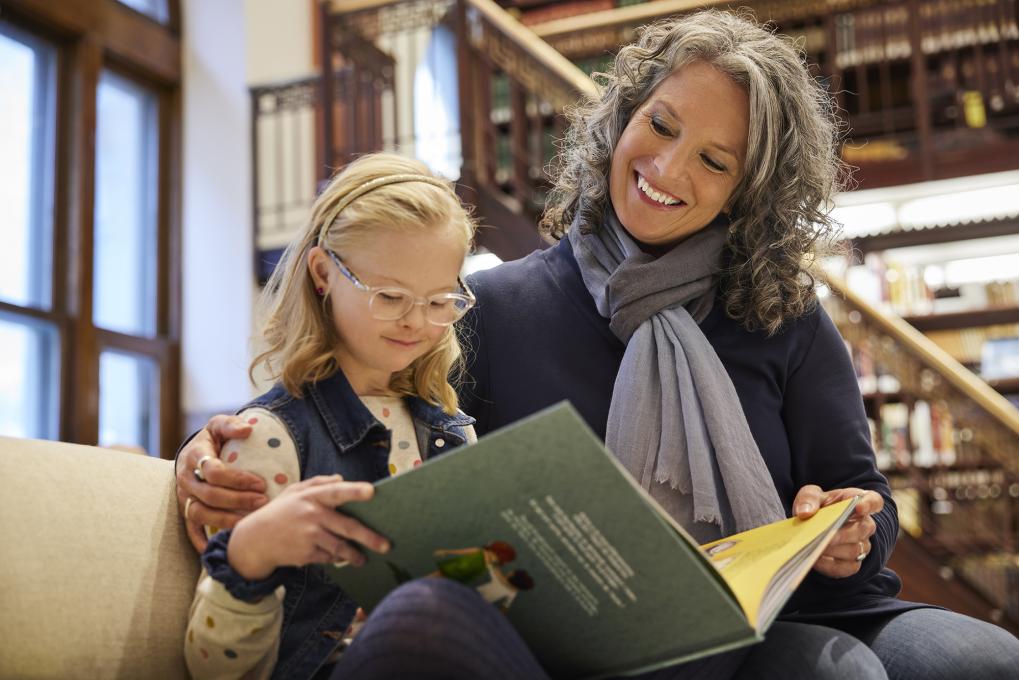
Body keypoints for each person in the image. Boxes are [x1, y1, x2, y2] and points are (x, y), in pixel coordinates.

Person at [176, 9, 1019, 679]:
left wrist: (845, 533)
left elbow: (859, 496)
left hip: (801, 606)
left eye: (715, 161)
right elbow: (365, 413)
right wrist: (198, 453)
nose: (668, 168)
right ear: (619, 117)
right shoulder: (492, 305)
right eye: (659, 125)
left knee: (982, 658)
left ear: (749, 192)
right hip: (596, 629)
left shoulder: (782, 313)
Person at [181, 152, 479, 679]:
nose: (416, 320)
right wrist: (248, 552)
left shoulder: (453, 432)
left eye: (441, 301)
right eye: (389, 296)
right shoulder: (269, 438)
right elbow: (214, 671)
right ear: (323, 273)